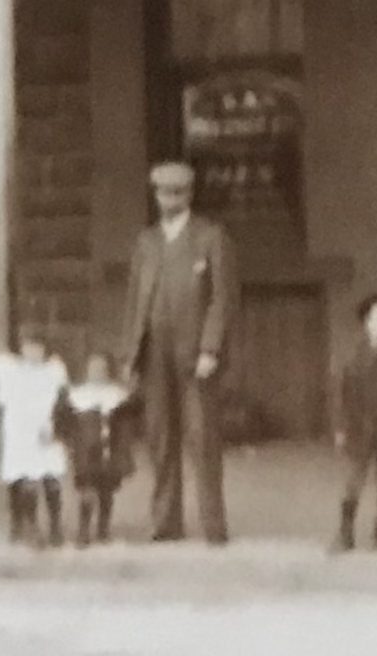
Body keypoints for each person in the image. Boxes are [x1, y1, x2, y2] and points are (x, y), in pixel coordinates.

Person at [123, 159, 239, 544]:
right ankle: (165, 523)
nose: (168, 200)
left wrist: (211, 347)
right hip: (154, 351)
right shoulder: (147, 242)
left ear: (189, 195)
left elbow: (223, 299)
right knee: (159, 436)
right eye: (162, 193)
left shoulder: (210, 237)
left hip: (195, 354)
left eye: (176, 193)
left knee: (202, 436)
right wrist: (129, 353)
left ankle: (213, 526)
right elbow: (134, 302)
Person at [332, 291, 377, 552]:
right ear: (368, 322)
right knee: (353, 480)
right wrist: (341, 427)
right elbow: (342, 392)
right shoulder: (353, 352)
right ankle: (345, 532)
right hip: (358, 422)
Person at [0, 328, 72, 549]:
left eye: (38, 347)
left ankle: (55, 526)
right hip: (20, 432)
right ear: (21, 349)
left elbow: (63, 405)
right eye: (28, 347)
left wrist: (56, 427)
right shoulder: (11, 372)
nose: (33, 352)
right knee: (23, 477)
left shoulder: (53, 372)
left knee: (51, 478)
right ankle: (25, 525)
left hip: (46, 430)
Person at [62, 351, 140, 547]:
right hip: (86, 452)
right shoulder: (78, 395)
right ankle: (83, 531)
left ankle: (103, 529)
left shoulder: (116, 394)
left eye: (101, 369)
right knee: (87, 490)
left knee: (106, 491)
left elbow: (131, 416)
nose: (97, 373)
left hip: (109, 452)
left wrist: (130, 386)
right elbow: (67, 423)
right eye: (93, 369)